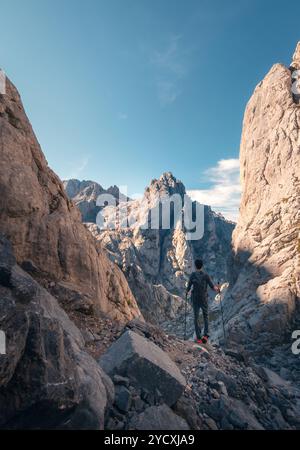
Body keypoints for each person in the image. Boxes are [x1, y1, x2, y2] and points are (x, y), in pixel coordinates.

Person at [186, 259, 220, 344]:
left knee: (196, 318)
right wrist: (218, 289)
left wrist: (186, 292)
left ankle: (198, 338)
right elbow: (212, 287)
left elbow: (189, 287)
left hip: (195, 299)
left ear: (195, 266)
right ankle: (205, 335)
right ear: (202, 266)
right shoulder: (206, 275)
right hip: (204, 298)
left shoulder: (192, 275)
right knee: (206, 316)